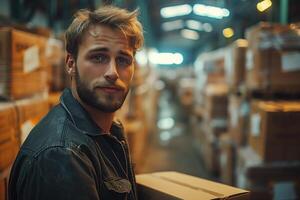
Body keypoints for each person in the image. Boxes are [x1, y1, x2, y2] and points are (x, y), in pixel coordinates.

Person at [8, 5, 144, 200]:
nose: (112, 72)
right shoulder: (61, 156)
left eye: (123, 60)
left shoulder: (109, 131)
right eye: (98, 57)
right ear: (71, 64)